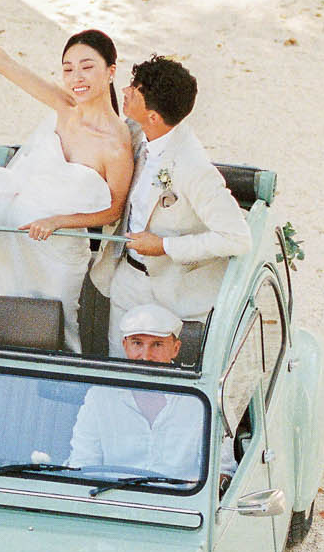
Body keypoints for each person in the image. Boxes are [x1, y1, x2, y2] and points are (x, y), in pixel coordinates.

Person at [0, 12, 134, 351]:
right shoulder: (64, 107)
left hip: (57, 252)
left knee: (55, 333)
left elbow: (112, 211)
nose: (75, 77)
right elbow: (2, 64)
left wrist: (57, 222)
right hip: (7, 240)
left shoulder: (116, 144)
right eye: (67, 68)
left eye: (86, 66)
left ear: (110, 71)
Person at [89, 54, 250, 357]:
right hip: (127, 281)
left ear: (154, 116)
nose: (125, 91)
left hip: (173, 292)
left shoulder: (193, 167)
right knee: (119, 368)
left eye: (133, 90)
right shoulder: (137, 132)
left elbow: (236, 238)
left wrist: (165, 246)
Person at [67, 305, 203, 483]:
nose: (146, 356)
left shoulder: (200, 400)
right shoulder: (100, 397)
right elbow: (82, 466)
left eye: (157, 344)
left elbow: (221, 472)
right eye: (137, 343)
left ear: (176, 349)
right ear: (125, 345)